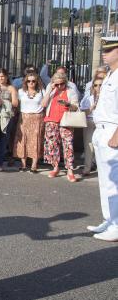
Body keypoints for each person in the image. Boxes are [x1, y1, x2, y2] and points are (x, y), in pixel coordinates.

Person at [87, 36, 118, 242]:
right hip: (102, 130)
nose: (104, 53)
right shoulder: (109, 75)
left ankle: (116, 225)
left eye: (109, 50)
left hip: (112, 131)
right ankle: (109, 220)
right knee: (105, 181)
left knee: (114, 183)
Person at [41, 72, 80, 182]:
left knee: (68, 145)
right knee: (52, 145)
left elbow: (76, 107)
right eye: (56, 84)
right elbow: (43, 104)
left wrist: (67, 104)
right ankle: (55, 167)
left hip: (66, 121)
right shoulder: (51, 89)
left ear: (65, 82)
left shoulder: (71, 91)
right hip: (51, 120)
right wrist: (50, 90)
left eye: (61, 84)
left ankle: (70, 170)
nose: (59, 86)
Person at [13, 73, 45, 173]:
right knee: (23, 140)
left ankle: (34, 165)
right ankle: (23, 164)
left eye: (33, 81)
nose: (31, 83)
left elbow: (46, 104)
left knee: (36, 140)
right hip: (24, 117)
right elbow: (16, 104)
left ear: (37, 82)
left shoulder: (41, 92)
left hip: (37, 117)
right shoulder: (21, 91)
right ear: (25, 82)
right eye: (28, 81)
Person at [0, 68, 19, 171]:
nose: (1, 78)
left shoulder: (11, 88)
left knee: (3, 140)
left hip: (6, 117)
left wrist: (5, 101)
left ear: (6, 77)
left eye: (2, 76)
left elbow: (15, 103)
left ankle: (0, 163)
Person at [80, 73, 106, 176]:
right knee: (89, 146)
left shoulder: (108, 98)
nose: (98, 87)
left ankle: (102, 169)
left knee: (102, 147)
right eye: (96, 85)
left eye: (100, 85)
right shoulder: (89, 98)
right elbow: (82, 112)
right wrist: (91, 108)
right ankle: (87, 168)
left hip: (103, 124)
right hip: (90, 122)